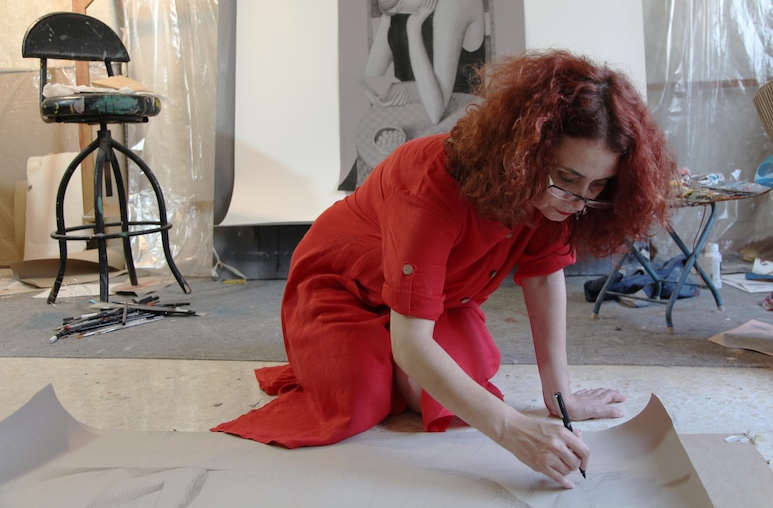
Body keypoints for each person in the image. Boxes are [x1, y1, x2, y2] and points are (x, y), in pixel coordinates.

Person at [214, 49, 678, 489]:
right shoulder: (429, 187)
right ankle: (353, 353)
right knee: (360, 400)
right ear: (526, 151)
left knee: (445, 391)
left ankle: (385, 354)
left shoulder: (559, 199)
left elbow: (543, 275)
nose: (576, 202)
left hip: (435, 298)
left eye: (597, 186)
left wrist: (561, 399)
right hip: (343, 287)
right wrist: (513, 430)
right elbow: (414, 344)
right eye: (567, 179)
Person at [341, 0, 486, 189]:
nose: (399, 12)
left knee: (409, 170)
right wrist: (380, 96)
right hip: (418, 107)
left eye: (399, 5)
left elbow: (437, 110)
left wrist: (413, 30)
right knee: (382, 154)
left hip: (462, 113)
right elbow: (372, 78)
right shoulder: (405, 7)